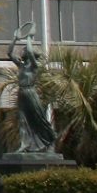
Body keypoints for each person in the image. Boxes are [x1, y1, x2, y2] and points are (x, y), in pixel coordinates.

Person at [8, 23, 58, 154]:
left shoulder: (34, 67)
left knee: (38, 118)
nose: (23, 51)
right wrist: (15, 39)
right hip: (22, 93)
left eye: (24, 50)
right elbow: (9, 54)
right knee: (22, 120)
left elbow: (30, 52)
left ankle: (51, 139)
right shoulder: (22, 66)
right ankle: (25, 144)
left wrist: (29, 37)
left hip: (31, 93)